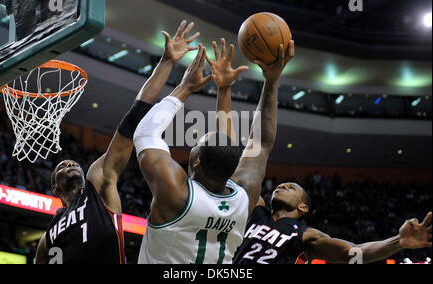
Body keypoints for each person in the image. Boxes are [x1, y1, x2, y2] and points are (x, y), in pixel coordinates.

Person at [35, 20, 201, 264]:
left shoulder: (97, 185)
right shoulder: (46, 239)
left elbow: (129, 124)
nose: (68, 164)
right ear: (56, 190)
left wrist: (166, 63)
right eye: (60, 168)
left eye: (71, 164)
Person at [133, 38, 295, 264]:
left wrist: (185, 87)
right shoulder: (244, 197)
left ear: (196, 161)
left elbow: (145, 133)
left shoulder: (176, 192)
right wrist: (268, 81)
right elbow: (262, 141)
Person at [233, 182, 432, 264]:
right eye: (280, 185)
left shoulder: (306, 234)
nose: (282, 185)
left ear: (303, 208)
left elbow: (352, 253)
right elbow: (242, 172)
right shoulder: (256, 210)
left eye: (291, 187)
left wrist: (399, 242)